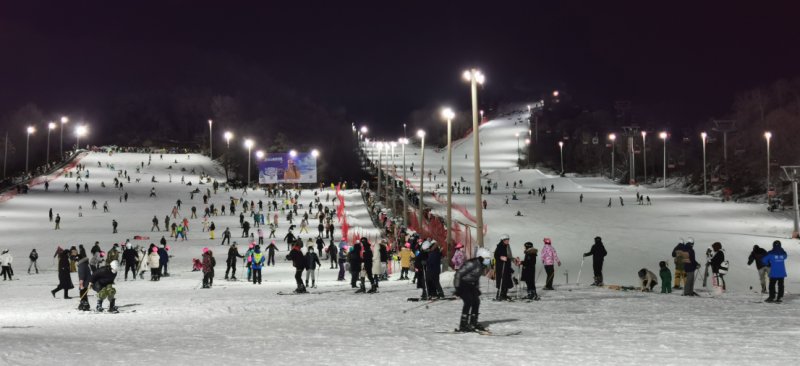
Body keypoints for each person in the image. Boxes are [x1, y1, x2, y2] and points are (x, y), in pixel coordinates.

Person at [453, 247, 491, 332]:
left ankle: (473, 323)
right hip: (463, 283)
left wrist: (476, 288)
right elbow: (458, 274)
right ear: (481, 257)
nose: (488, 260)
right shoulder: (471, 263)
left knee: (476, 302)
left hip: (472, 285)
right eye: (487, 258)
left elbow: (476, 277)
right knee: (468, 301)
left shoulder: (482, 265)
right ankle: (463, 324)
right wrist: (457, 288)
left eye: (488, 259)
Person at [493, 234, 514, 300]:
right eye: (506, 240)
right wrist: (501, 257)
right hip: (501, 266)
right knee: (502, 280)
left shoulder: (507, 246)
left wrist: (513, 259)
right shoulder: (500, 246)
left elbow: (509, 256)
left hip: (507, 265)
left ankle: (504, 294)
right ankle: (500, 294)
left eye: (508, 240)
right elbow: (496, 255)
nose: (508, 241)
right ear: (503, 240)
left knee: (506, 280)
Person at [76, 246, 92, 311]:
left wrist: (81, 284)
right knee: (84, 294)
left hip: (85, 282)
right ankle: (85, 305)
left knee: (82, 293)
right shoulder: (84, 264)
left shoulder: (81, 265)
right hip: (87, 282)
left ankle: (84, 305)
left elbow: (82, 275)